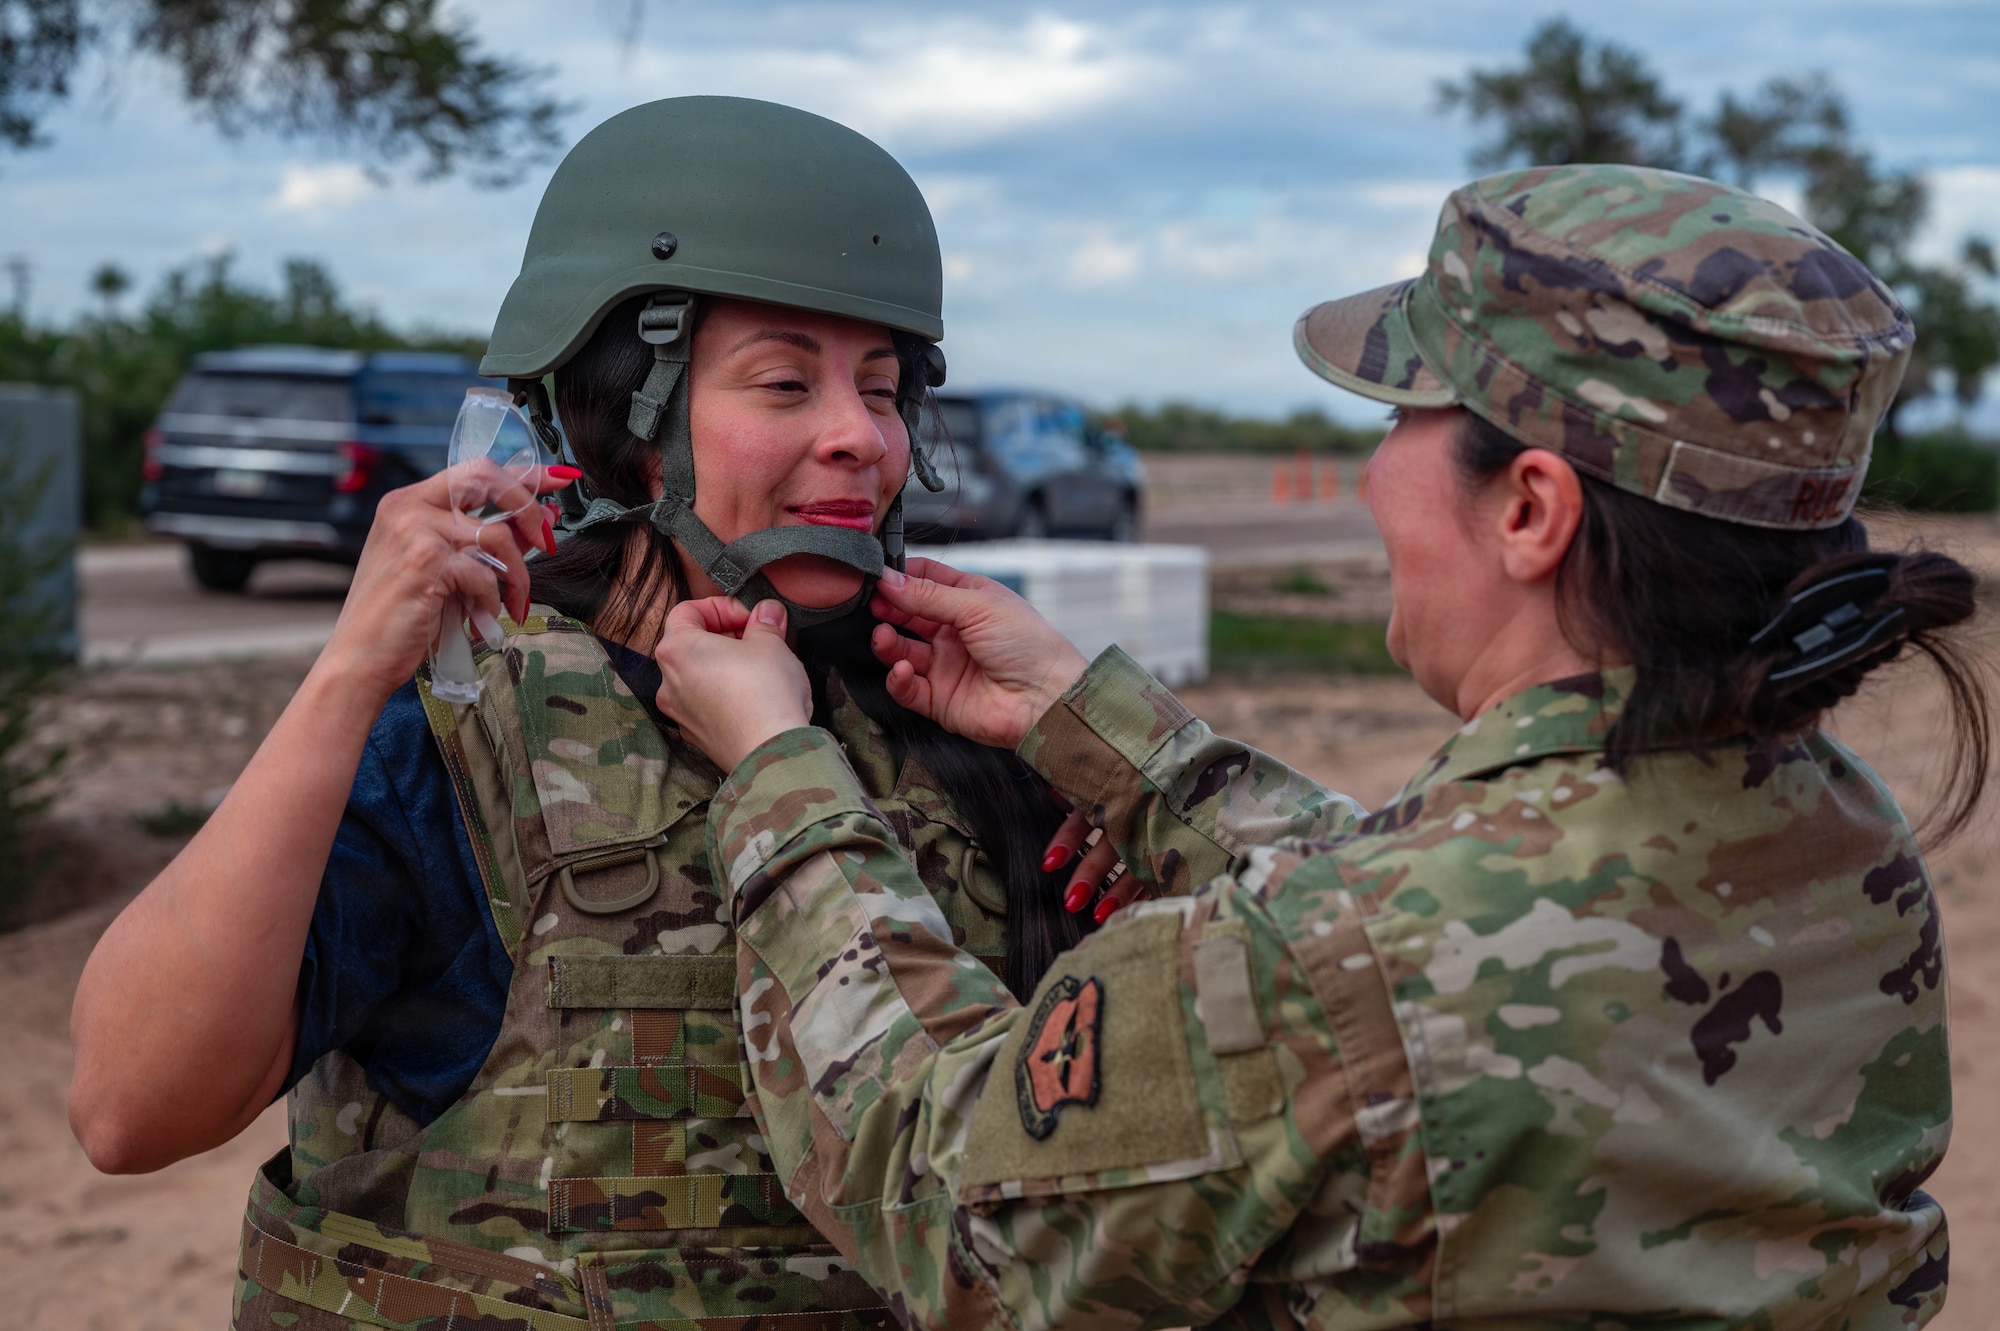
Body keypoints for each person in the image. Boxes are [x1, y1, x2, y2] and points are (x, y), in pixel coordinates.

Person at [651, 164, 1982, 1327]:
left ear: (1531, 509)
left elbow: (942, 1200)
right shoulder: (1840, 833)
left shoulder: (1330, 957)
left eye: (1404, 416)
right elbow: (1455, 924)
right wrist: (1104, 728)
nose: (1374, 470)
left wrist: (778, 772)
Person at [68, 97, 1102, 1331]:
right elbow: (132, 1107)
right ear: (626, 423)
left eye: (882, 391)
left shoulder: (964, 718)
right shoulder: (470, 728)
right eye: (784, 382)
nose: (856, 439)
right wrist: (350, 673)